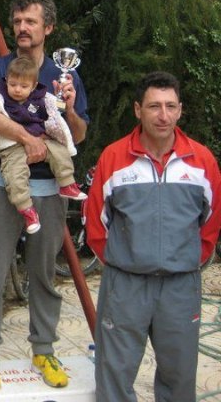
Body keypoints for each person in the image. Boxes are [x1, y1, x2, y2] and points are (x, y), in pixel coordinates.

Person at [0, 0, 89, 391]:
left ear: (48, 27)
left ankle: (44, 350)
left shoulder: (63, 75)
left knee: (44, 276)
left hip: (49, 191)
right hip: (1, 185)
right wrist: (23, 136)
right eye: (17, 21)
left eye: (30, 21)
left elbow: (79, 135)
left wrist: (69, 110)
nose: (22, 28)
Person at [85, 71, 221, 402]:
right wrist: (124, 260)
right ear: (138, 110)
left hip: (180, 288)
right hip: (125, 286)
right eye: (154, 106)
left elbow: (211, 223)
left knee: (179, 379)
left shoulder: (202, 161)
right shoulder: (114, 158)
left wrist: (185, 260)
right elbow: (96, 223)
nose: (163, 115)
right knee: (114, 376)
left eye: (170, 106)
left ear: (180, 110)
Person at [0, 56, 86, 234]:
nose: (17, 89)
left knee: (59, 151)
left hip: (49, 180)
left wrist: (68, 108)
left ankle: (67, 183)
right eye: (13, 84)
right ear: (6, 80)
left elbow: (63, 122)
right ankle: (26, 209)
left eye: (24, 86)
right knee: (15, 174)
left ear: (34, 86)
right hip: (8, 151)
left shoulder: (45, 93)